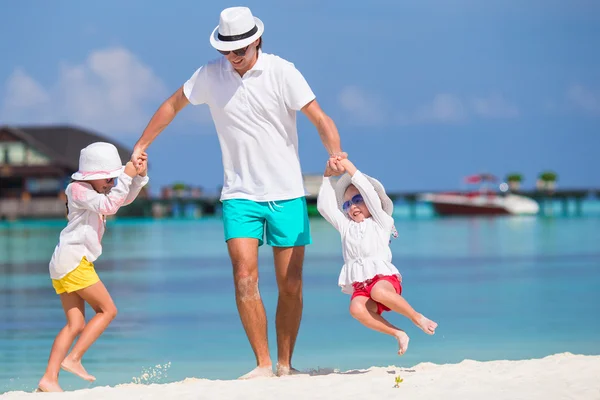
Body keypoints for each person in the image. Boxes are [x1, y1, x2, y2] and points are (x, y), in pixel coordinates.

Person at [130, 6, 345, 379]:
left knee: (290, 284)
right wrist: (140, 145)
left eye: (241, 48)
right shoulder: (210, 76)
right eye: (227, 49)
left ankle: (285, 365)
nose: (234, 55)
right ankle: (263, 364)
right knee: (244, 277)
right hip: (239, 194)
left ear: (257, 40)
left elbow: (319, 116)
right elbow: (172, 105)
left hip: (287, 192)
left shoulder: (283, 71)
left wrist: (335, 154)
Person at [37, 142, 149, 392]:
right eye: (107, 178)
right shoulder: (78, 189)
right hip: (74, 261)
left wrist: (138, 178)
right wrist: (126, 177)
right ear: (93, 177)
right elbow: (110, 205)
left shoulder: (93, 192)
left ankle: (49, 379)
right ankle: (74, 359)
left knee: (75, 325)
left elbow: (120, 201)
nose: (111, 182)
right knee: (107, 310)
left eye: (112, 178)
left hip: (66, 262)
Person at [317, 157, 438, 356]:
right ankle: (398, 334)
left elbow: (370, 194)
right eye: (347, 204)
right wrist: (326, 177)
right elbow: (325, 208)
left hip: (382, 278)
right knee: (356, 309)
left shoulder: (381, 221)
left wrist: (349, 168)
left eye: (357, 200)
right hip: (361, 282)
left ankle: (418, 318)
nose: (352, 206)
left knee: (379, 293)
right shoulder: (346, 226)